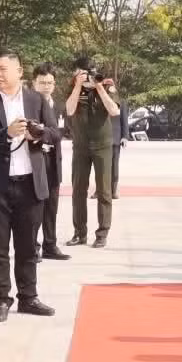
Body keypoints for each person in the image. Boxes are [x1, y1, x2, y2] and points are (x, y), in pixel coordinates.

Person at [0, 51, 60, 322]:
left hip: (30, 185)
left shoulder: (36, 100)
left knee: (27, 246)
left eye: (3, 69)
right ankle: (0, 299)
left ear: (19, 71)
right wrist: (6, 134)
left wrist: (39, 132)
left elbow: (56, 133)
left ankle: (28, 297)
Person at [65, 59, 122, 249]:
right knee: (78, 190)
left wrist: (99, 88)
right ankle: (79, 233)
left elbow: (114, 111)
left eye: (91, 72)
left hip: (103, 145)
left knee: (104, 191)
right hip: (80, 145)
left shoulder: (107, 85)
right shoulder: (73, 86)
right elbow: (69, 109)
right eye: (84, 73)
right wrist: (78, 86)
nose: (89, 76)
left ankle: (102, 233)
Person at [32, 65, 68, 261]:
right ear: (34, 83)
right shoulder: (28, 104)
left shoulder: (59, 105)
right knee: (36, 207)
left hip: (53, 161)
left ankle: (50, 245)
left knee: (52, 206)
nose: (46, 86)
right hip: (36, 160)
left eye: (49, 83)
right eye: (42, 82)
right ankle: (33, 247)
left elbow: (61, 132)